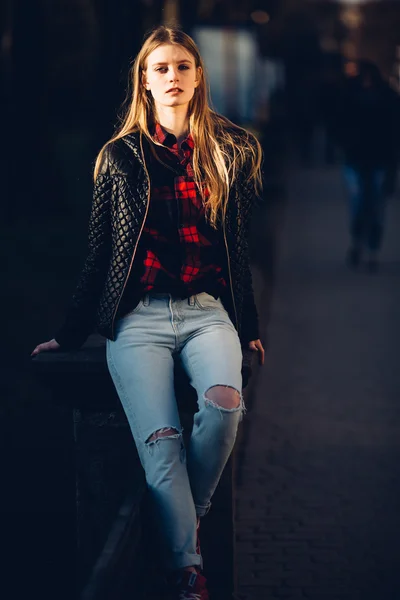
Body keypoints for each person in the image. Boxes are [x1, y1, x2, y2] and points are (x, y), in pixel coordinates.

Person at [31, 26, 265, 599]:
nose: (174, 78)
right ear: (144, 80)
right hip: (138, 320)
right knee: (159, 440)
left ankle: (183, 514)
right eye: (161, 68)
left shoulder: (225, 150)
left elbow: (237, 250)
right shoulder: (119, 157)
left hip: (208, 313)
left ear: (198, 77)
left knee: (225, 406)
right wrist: (71, 334)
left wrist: (249, 329)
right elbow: (98, 255)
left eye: (183, 67)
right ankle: (187, 568)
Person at [335, 60, 400, 272]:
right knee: (360, 204)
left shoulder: (386, 98)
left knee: (374, 207)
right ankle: (360, 245)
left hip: (376, 160)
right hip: (358, 159)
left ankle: (369, 248)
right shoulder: (353, 96)